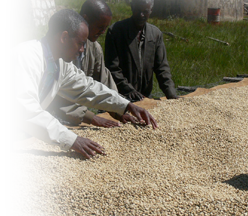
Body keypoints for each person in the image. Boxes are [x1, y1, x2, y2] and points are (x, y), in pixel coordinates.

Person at [5, 9, 158, 159]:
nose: (82, 49)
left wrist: (126, 105)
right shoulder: (25, 57)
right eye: (79, 43)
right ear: (64, 37)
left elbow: (88, 88)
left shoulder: (59, 64)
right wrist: (72, 140)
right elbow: (27, 110)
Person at [47, 0, 137, 127]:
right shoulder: (61, 47)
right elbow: (59, 93)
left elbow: (102, 79)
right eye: (100, 27)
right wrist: (91, 117)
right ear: (86, 19)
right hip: (53, 116)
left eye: (105, 28)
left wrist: (120, 109)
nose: (103, 32)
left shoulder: (95, 48)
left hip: (77, 116)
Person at [104, 0, 178, 102]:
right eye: (138, 10)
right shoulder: (116, 31)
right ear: (132, 7)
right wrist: (129, 90)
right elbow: (112, 69)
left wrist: (172, 95)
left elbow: (162, 69)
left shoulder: (155, 34)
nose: (141, 15)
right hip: (121, 97)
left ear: (151, 11)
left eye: (145, 12)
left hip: (145, 96)